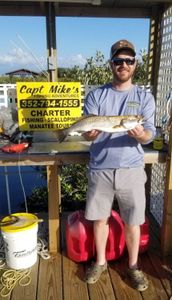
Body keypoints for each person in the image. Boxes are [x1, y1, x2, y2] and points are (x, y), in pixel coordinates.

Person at [83, 39, 156, 291]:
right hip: (100, 168)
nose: (123, 64)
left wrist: (141, 135)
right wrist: (87, 134)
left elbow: (149, 134)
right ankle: (101, 261)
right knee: (99, 219)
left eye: (128, 60)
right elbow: (87, 132)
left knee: (133, 221)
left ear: (135, 64)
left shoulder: (144, 98)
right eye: (118, 60)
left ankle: (133, 266)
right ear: (111, 64)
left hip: (132, 169)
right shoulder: (96, 95)